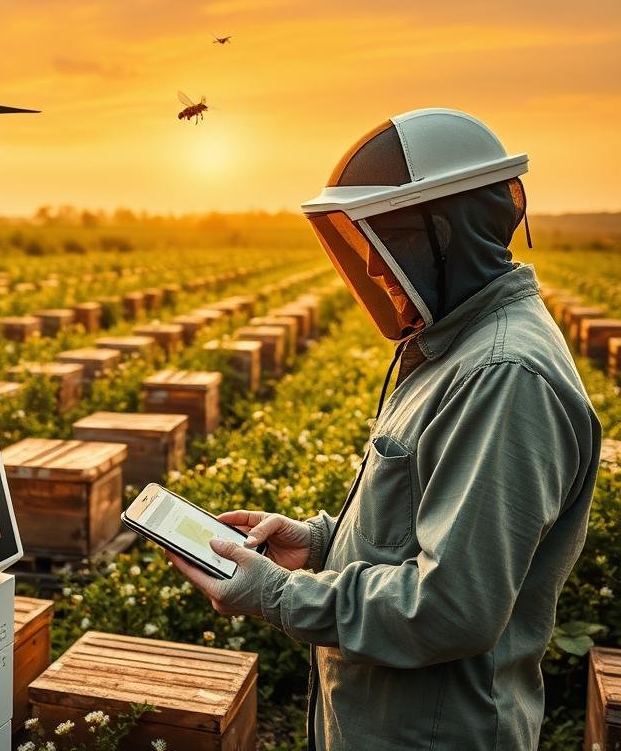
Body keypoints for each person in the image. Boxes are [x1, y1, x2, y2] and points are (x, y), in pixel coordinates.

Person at [166, 108, 602, 750]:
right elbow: (422, 527)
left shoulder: (501, 375)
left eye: (385, 246)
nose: (372, 270)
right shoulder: (454, 349)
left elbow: (451, 607)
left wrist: (281, 596)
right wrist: (316, 542)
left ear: (442, 236)